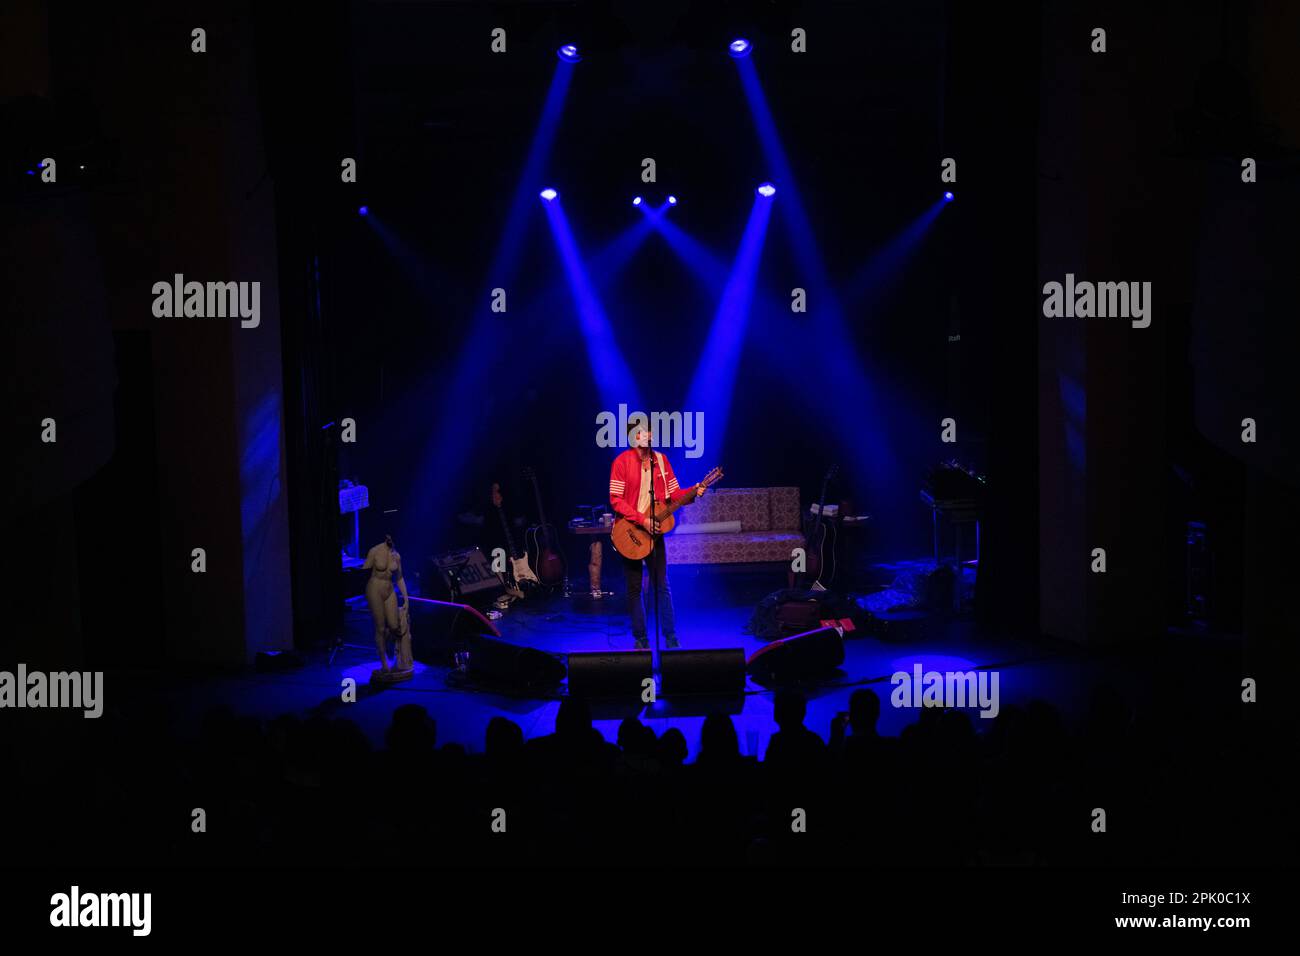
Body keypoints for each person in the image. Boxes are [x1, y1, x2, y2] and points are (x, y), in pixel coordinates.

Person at [608, 420, 707, 649]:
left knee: (662, 585)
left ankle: (670, 635)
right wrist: (641, 519)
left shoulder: (661, 461)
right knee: (634, 587)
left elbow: (674, 494)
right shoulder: (621, 462)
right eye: (644, 431)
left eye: (650, 430)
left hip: (654, 534)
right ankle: (640, 638)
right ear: (634, 438)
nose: (649, 434)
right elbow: (616, 500)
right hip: (630, 531)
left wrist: (693, 492)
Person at [363, 534, 413, 680]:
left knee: (394, 625)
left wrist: (406, 597)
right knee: (380, 627)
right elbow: (364, 571)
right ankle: (384, 662)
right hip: (375, 588)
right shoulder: (375, 551)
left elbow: (400, 577)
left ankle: (390, 651)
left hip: (389, 589)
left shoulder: (396, 556)